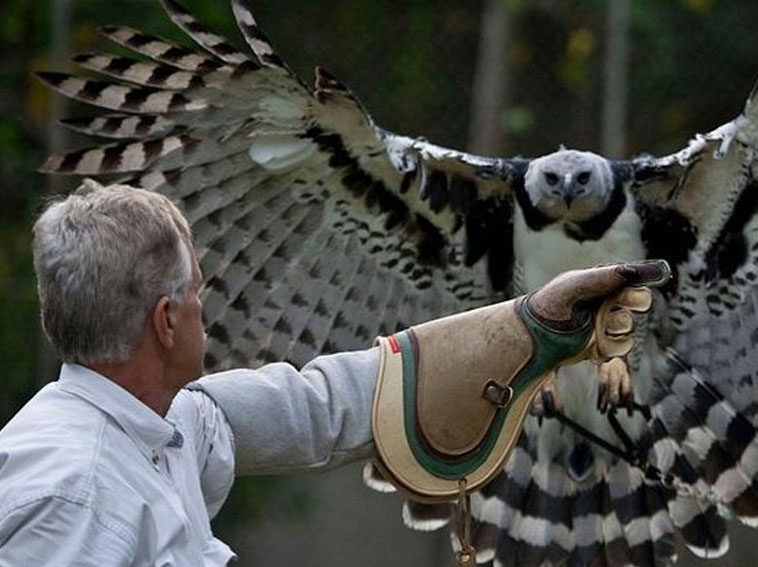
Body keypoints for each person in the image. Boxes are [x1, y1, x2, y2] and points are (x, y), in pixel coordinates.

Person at [0, 180, 661, 566]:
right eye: (198, 290)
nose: (209, 306)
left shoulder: (161, 424)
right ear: (168, 320)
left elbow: (323, 406)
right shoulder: (73, 497)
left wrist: (531, 332)